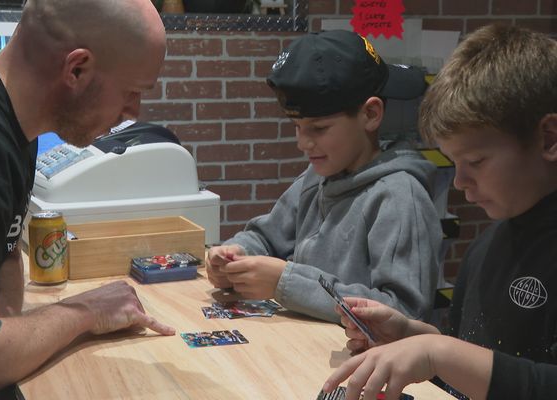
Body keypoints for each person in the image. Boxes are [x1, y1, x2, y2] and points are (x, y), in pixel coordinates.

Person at [322, 24, 557, 400]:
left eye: (476, 161)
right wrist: (412, 338)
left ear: (548, 138)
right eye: (455, 163)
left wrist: (441, 354)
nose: (460, 181)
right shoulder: (486, 249)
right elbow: (485, 361)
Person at [0, 1, 175, 398]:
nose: (133, 113)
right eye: (131, 93)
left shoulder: (9, 122)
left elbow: (2, 262)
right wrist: (86, 312)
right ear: (76, 69)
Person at [206, 30, 443, 323]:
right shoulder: (317, 176)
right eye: (297, 126)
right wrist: (236, 254)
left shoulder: (399, 197)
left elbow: (403, 313)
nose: (303, 143)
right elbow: (267, 237)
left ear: (370, 114)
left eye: (318, 129)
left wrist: (286, 283)